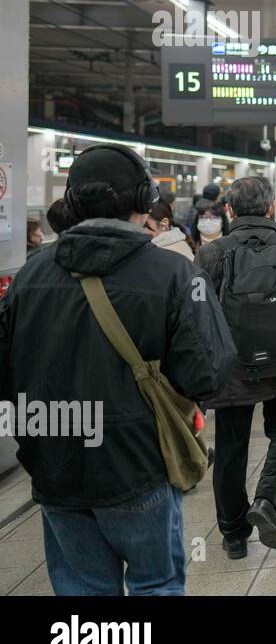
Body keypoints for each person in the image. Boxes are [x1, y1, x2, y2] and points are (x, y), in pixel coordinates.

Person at [0, 143, 234, 594]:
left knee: (83, 589)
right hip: (137, 460)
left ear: (70, 203)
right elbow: (207, 373)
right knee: (156, 581)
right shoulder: (175, 275)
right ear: (146, 199)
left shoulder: (30, 275)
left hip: (53, 461)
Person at [196, 176, 276, 559]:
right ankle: (266, 500)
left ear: (229, 210)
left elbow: (199, 313)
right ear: (271, 208)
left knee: (231, 447)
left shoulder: (211, 253)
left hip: (232, 366)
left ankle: (234, 536)